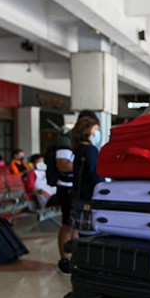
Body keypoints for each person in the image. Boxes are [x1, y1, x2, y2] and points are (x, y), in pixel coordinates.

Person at [55, 116, 103, 275]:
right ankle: (85, 265)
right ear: (88, 130)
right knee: (89, 234)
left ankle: (78, 261)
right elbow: (94, 174)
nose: (97, 133)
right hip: (88, 196)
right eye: (96, 130)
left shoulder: (79, 148)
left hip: (78, 196)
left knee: (79, 231)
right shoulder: (90, 150)